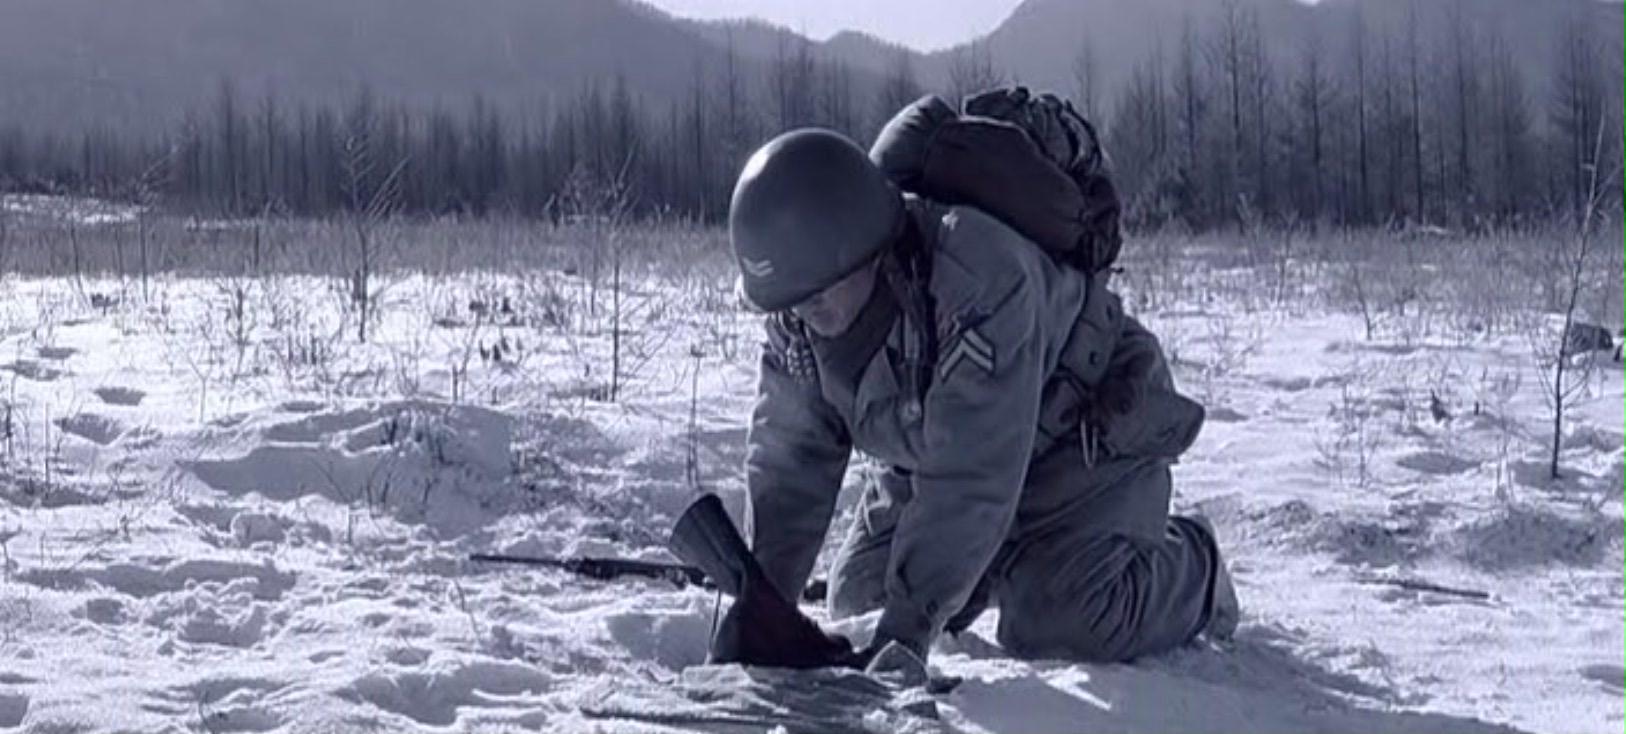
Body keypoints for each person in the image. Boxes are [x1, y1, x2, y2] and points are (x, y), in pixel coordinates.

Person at [730, 127, 1237, 679]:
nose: (806, 317)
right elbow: (792, 463)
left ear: (866, 253)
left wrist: (907, 633)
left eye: (820, 296)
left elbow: (972, 472)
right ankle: (996, 564)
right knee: (861, 600)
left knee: (1055, 624)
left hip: (1079, 446)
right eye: (793, 305)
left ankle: (1197, 569)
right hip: (945, 453)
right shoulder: (800, 317)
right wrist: (764, 604)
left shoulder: (978, 274)